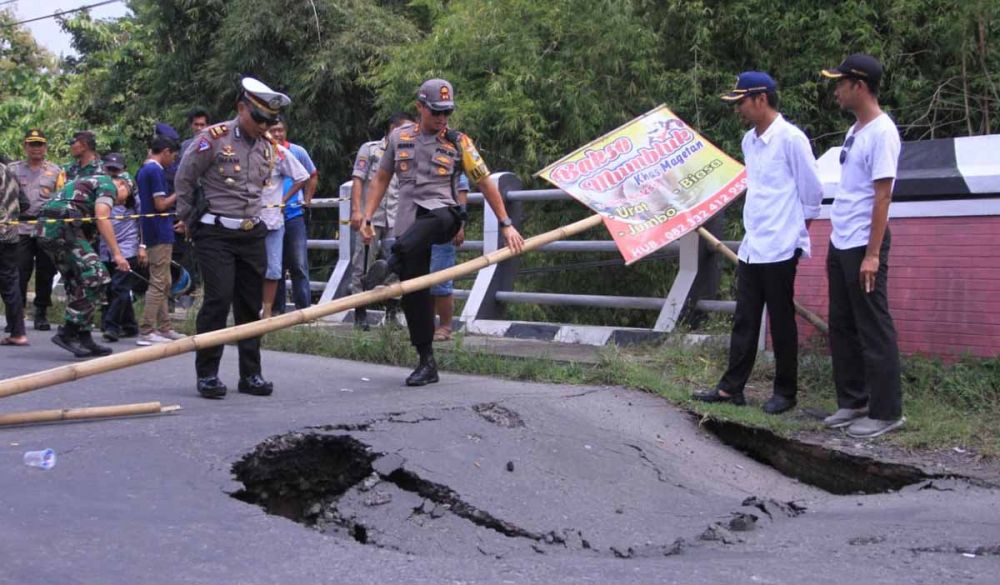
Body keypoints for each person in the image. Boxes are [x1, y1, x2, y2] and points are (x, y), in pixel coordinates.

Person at [362, 78, 525, 386]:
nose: (442, 118)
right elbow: (381, 177)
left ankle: (391, 263)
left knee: (432, 220)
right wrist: (367, 216)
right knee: (414, 292)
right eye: (436, 111)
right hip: (408, 224)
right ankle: (427, 362)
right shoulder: (399, 138)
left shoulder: (459, 141)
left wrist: (506, 223)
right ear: (420, 107)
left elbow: (485, 182)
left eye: (447, 112)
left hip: (444, 215)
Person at [693, 72, 823, 415]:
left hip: (781, 245)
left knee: (781, 320)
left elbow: (813, 193)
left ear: (761, 99)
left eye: (742, 102)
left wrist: (795, 233)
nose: (738, 109)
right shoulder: (749, 141)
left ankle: (785, 392)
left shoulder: (791, 139)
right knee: (745, 318)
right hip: (754, 244)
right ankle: (731, 387)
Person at [175, 77, 290, 399]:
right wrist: (188, 219)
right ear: (241, 108)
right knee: (218, 299)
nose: (264, 126)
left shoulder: (267, 145)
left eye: (269, 121)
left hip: (251, 232)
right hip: (215, 232)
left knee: (250, 305)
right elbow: (185, 178)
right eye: (259, 118)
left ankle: (250, 374)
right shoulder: (213, 138)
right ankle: (208, 374)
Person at [819, 54, 905, 438]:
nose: (836, 90)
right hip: (841, 240)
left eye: (840, 83)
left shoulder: (882, 132)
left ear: (860, 85)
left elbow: (882, 196)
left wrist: (872, 254)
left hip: (863, 244)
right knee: (842, 325)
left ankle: (887, 412)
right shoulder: (856, 130)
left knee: (873, 326)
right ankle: (854, 401)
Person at [37, 172, 129, 357]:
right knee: (97, 275)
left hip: (49, 230)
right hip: (61, 229)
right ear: (121, 183)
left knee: (79, 281)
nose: (122, 203)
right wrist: (118, 254)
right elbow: (102, 217)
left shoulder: (87, 185)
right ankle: (67, 332)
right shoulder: (107, 184)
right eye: (126, 197)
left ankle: (84, 337)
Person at [348, 111, 413, 330]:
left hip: (395, 218)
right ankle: (360, 313)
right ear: (393, 129)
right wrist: (356, 211)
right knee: (362, 264)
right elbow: (358, 179)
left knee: (395, 266)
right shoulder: (370, 149)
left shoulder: (407, 153)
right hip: (371, 217)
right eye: (405, 129)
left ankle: (392, 313)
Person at [10, 129, 64, 333]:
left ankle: (41, 313)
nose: (36, 148)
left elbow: (62, 198)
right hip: (21, 228)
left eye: (39, 144)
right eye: (32, 144)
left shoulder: (56, 171)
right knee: (19, 271)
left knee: (45, 271)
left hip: (45, 228)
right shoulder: (13, 170)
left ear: (45, 147)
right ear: (25, 146)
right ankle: (16, 315)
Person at [135, 137, 186, 345]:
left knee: (165, 281)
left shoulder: (144, 170)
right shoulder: (155, 171)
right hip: (159, 230)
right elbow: (160, 204)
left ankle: (165, 327)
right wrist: (179, 192)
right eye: (173, 156)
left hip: (154, 230)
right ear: (165, 152)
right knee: (158, 282)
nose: (173, 161)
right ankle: (147, 329)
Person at [269, 118, 317, 313]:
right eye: (273, 130)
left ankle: (304, 310)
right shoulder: (264, 152)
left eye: (280, 130)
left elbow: (311, 175)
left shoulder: (297, 151)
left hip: (294, 214)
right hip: (272, 217)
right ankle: (277, 311)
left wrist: (307, 199)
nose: (277, 134)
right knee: (276, 265)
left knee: (299, 264)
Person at [99, 153, 144, 342]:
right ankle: (130, 325)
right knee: (111, 287)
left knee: (119, 286)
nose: (113, 173)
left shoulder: (128, 188)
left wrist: (142, 246)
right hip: (105, 247)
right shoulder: (100, 188)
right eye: (109, 169)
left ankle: (111, 326)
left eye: (116, 170)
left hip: (127, 245)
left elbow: (143, 220)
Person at [261, 138, 308, 318]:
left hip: (273, 220)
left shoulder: (277, 151)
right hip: (247, 221)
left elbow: (303, 176)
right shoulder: (239, 147)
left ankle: (267, 312)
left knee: (274, 269)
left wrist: (284, 200)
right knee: (249, 269)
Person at [429, 173, 470, 341]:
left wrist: (459, 226)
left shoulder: (455, 166)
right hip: (419, 225)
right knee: (421, 279)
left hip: (445, 226)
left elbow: (462, 195)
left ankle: (445, 326)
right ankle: (427, 326)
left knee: (441, 279)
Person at [1, 158, 31, 346]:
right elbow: (25, 203)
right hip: (10, 235)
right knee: (11, 284)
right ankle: (18, 333)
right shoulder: (9, 171)